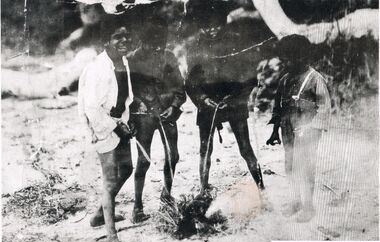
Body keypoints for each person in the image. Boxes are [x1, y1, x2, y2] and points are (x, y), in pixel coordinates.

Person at [185, 2, 265, 196]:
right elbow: (190, 82)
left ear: (223, 21)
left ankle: (261, 188)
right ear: (200, 25)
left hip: (234, 102)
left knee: (245, 147)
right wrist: (203, 99)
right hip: (208, 105)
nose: (212, 29)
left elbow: (250, 77)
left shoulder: (236, 42)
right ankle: (203, 190)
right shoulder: (194, 46)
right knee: (205, 148)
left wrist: (237, 97)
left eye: (216, 24)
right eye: (206, 25)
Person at [78, 16, 135, 242]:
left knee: (128, 168)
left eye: (125, 36)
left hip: (117, 122)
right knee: (110, 179)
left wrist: (124, 122)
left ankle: (102, 213)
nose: (123, 40)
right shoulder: (97, 69)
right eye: (117, 37)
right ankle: (111, 238)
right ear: (106, 42)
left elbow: (123, 98)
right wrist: (113, 126)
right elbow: (92, 108)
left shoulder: (123, 61)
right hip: (100, 125)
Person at [266, 34, 331, 222]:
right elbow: (277, 108)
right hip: (287, 128)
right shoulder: (284, 80)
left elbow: (324, 108)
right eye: (283, 59)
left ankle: (309, 206)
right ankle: (295, 201)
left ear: (301, 56)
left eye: (288, 59)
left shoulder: (315, 78)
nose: (284, 63)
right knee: (290, 165)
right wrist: (273, 131)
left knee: (306, 167)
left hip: (308, 130)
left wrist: (311, 128)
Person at [128, 17, 186, 219]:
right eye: (151, 44)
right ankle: (137, 207)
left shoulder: (169, 57)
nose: (156, 48)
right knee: (143, 160)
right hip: (143, 117)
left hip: (166, 114)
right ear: (141, 41)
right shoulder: (131, 60)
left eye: (160, 44)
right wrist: (137, 102)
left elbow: (180, 89)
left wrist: (174, 106)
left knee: (174, 156)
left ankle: (167, 196)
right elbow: (124, 92)